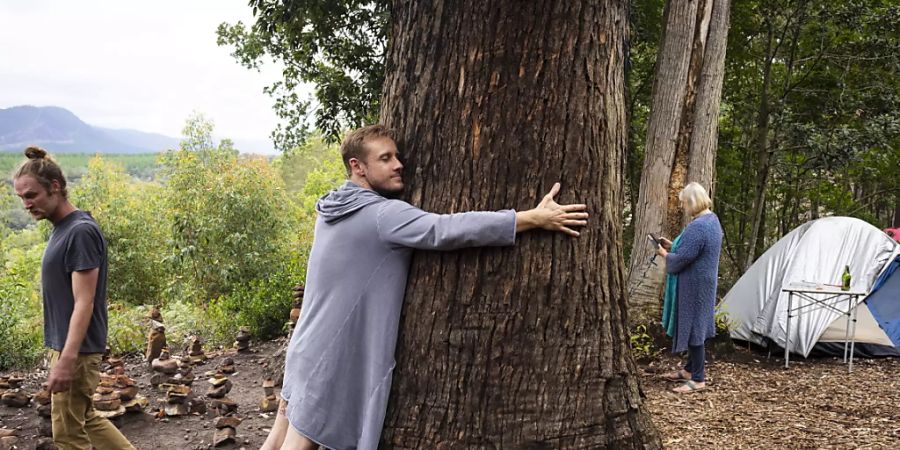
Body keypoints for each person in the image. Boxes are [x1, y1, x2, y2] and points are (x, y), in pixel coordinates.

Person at [260, 125, 589, 450]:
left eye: (397, 156)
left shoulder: (331, 208)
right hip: (330, 358)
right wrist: (532, 217)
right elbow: (444, 230)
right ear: (357, 167)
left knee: (276, 440)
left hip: (304, 347)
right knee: (298, 444)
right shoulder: (382, 215)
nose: (398, 164)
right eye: (385, 158)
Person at [13, 147, 136, 450]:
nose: (27, 204)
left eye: (32, 195)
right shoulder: (62, 228)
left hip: (76, 350)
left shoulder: (79, 231)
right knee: (86, 417)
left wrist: (67, 359)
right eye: (22, 198)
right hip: (70, 347)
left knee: (68, 434)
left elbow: (85, 301)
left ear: (55, 187)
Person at [655, 182, 723, 393]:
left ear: (692, 202)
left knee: (695, 329)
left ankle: (698, 379)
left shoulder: (699, 226)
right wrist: (672, 246)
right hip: (703, 282)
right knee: (697, 325)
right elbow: (691, 249)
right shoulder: (711, 220)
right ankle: (688, 370)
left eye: (684, 203)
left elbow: (683, 258)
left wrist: (664, 254)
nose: (683, 207)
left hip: (694, 285)